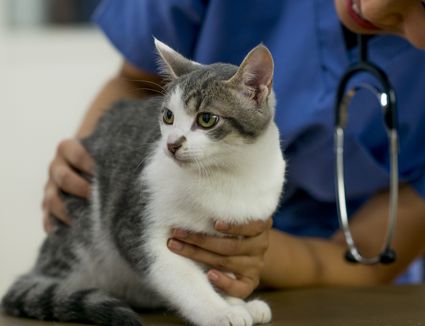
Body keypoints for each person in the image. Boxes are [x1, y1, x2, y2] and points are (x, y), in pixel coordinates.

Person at [42, 0, 425, 299]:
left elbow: (371, 260)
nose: (372, 9)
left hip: (332, 285)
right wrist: (91, 177)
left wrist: (242, 250)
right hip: (159, 250)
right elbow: (135, 80)